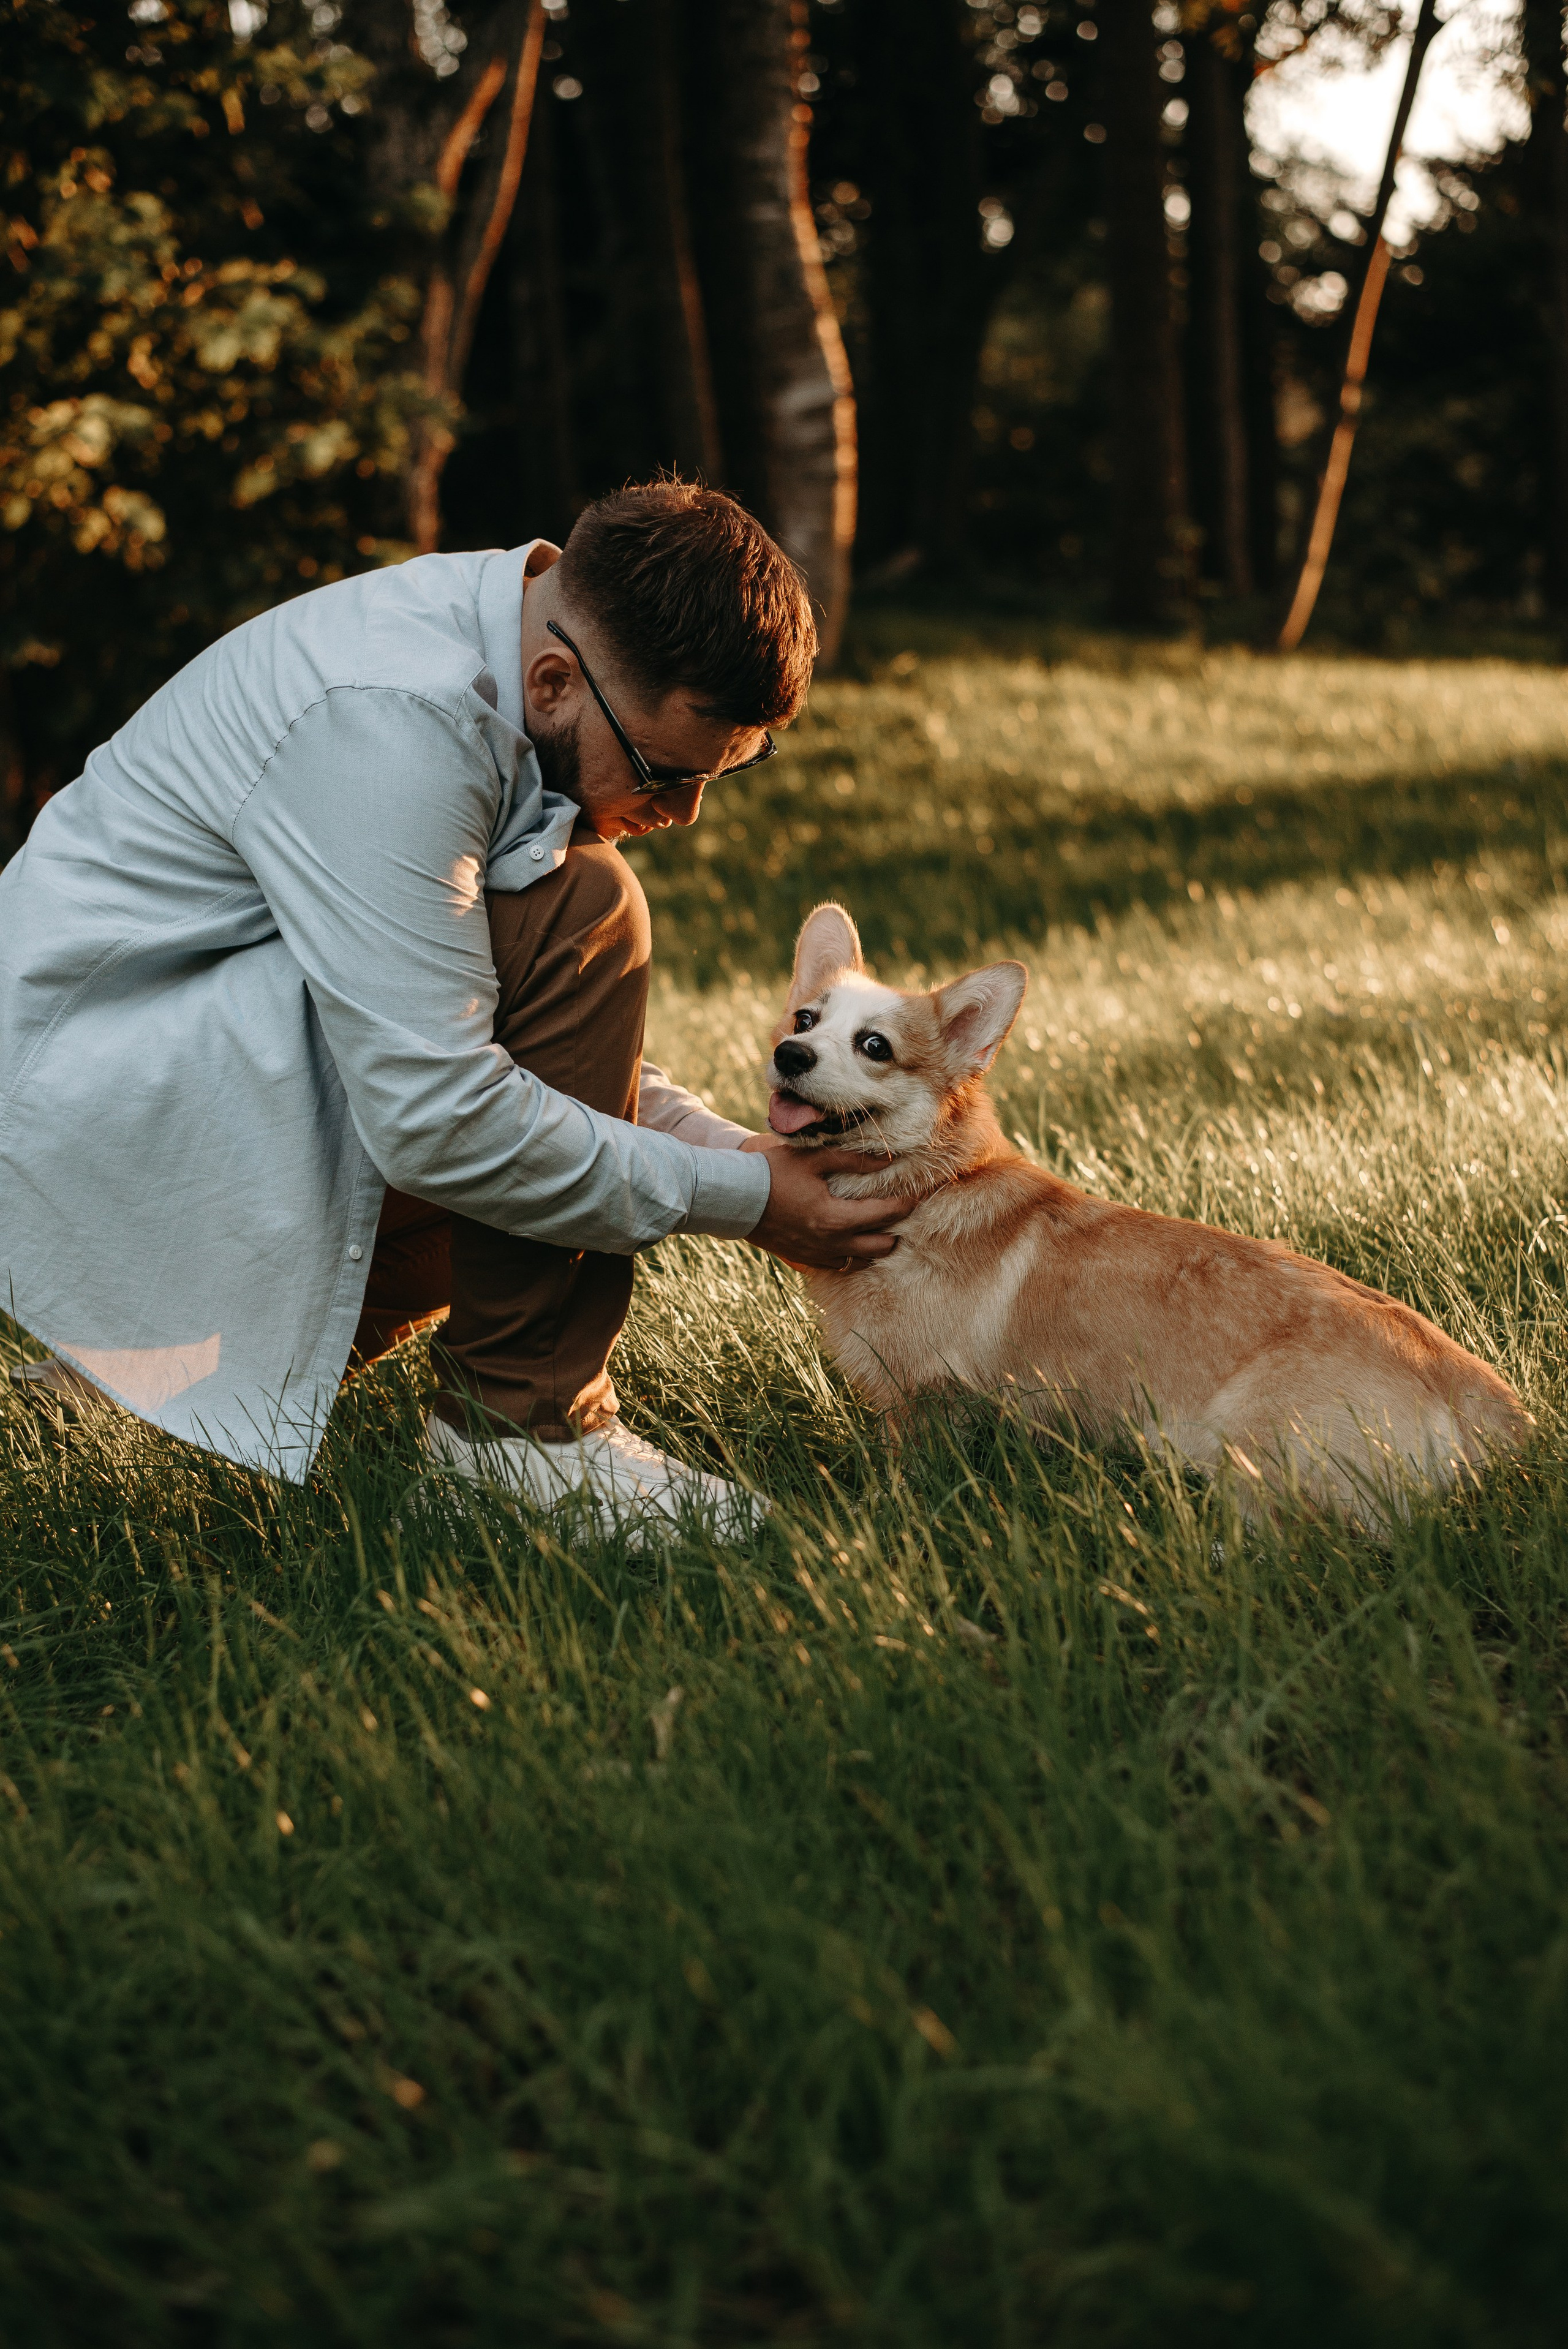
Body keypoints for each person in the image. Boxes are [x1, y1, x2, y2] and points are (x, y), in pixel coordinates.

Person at [0, 482, 908, 1523]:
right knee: (585, 902)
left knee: (562, 947)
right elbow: (440, 1119)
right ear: (557, 680)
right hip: (91, 1103)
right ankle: (523, 1435)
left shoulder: (516, 640)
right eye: (662, 773)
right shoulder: (396, 728)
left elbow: (507, 1038)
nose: (684, 813)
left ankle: (128, 1393)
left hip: (176, 1077)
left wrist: (740, 1156)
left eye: (719, 780)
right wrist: (749, 1206)